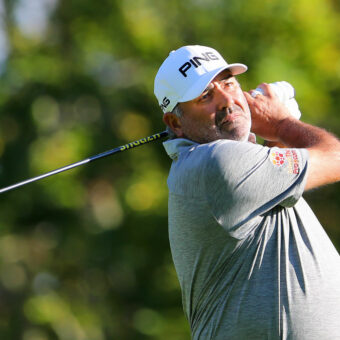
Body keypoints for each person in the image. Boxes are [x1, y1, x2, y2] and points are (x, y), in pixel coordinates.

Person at [154, 45, 340, 340]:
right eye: (206, 96)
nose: (228, 100)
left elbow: (271, 189)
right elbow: (336, 159)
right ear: (176, 123)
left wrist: (278, 136)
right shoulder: (215, 163)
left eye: (229, 84)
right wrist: (281, 123)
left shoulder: (215, 166)